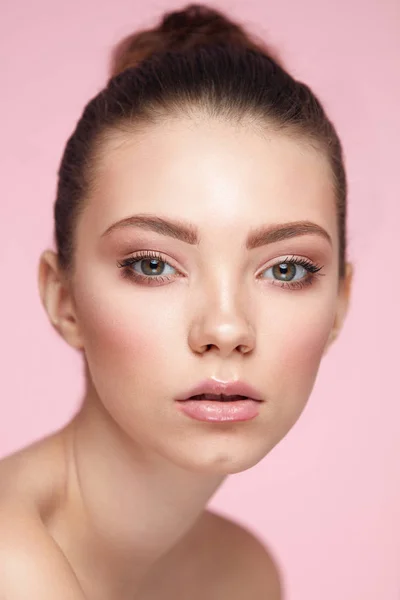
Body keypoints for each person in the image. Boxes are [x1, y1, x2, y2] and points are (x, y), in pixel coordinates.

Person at [0, 3, 353, 598]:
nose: (225, 327)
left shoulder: (242, 574)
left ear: (340, 306)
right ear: (64, 300)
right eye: (154, 264)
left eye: (287, 268)